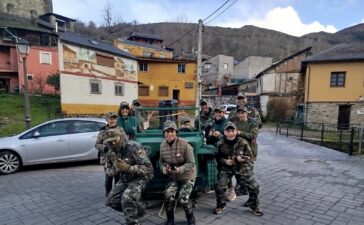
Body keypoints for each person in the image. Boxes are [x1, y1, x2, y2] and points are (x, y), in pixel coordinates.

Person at [105, 128, 154, 225]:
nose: (113, 143)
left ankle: (132, 222)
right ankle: (139, 210)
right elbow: (108, 170)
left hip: (141, 177)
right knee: (111, 201)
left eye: (115, 140)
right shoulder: (111, 152)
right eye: (111, 141)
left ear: (121, 137)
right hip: (125, 178)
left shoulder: (134, 147)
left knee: (126, 197)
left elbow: (149, 169)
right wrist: (115, 170)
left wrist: (128, 168)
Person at [213, 122, 263, 216]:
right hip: (227, 168)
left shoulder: (242, 142)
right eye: (228, 131)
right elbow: (217, 157)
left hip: (241, 167)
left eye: (233, 131)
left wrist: (242, 158)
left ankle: (254, 205)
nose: (231, 133)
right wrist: (225, 161)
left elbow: (250, 157)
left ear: (236, 131)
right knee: (219, 186)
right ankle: (221, 205)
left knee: (254, 186)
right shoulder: (220, 143)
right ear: (224, 132)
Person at [159, 121, 197, 225]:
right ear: (164, 133)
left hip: (187, 176)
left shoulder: (185, 145)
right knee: (168, 195)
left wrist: (180, 169)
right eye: (167, 132)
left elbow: (192, 163)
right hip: (173, 177)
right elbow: (161, 161)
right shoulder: (162, 146)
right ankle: (170, 218)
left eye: (171, 131)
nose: (169, 134)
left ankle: (190, 216)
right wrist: (163, 168)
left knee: (183, 198)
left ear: (176, 132)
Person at [95, 112, 126, 197]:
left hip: (118, 158)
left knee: (117, 178)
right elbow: (97, 144)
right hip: (107, 158)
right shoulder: (103, 130)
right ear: (107, 120)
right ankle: (108, 195)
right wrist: (104, 148)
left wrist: (120, 146)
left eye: (114, 118)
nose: (112, 120)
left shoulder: (120, 130)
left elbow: (126, 142)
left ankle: (116, 195)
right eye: (110, 118)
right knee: (108, 178)